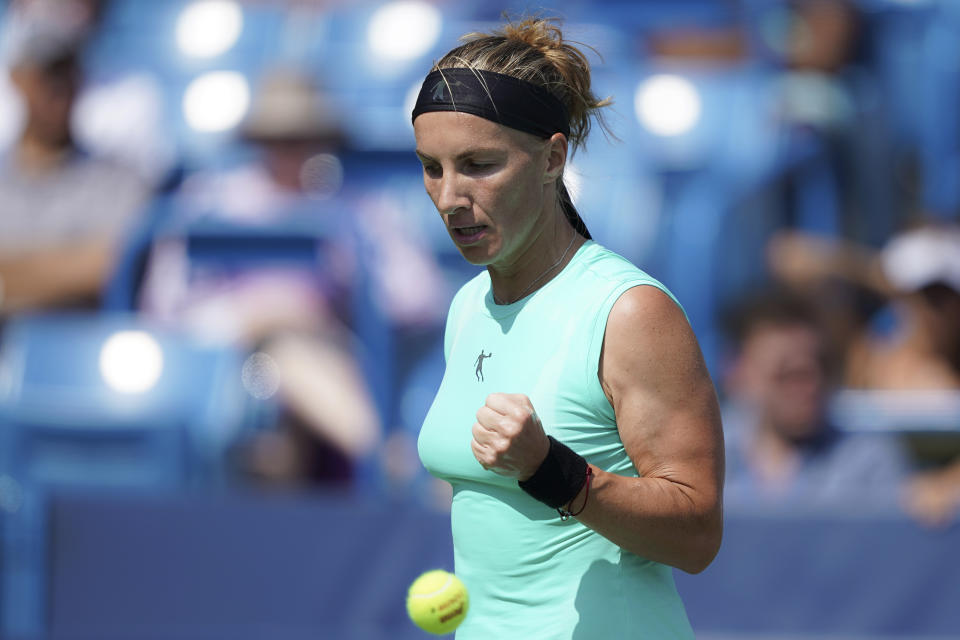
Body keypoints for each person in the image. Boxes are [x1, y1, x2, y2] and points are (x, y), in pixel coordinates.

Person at [413, 18, 724, 638]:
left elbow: (697, 534)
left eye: (478, 165)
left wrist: (553, 469)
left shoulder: (630, 311)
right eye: (432, 167)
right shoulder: (468, 305)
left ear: (553, 158)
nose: (449, 196)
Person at [0, 0, 149, 316]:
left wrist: (10, 278)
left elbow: (108, 266)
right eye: (47, 73)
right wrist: (61, 267)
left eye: (69, 72)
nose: (59, 87)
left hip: (77, 351)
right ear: (17, 79)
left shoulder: (116, 180)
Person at [720, 289, 909, 505]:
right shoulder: (701, 457)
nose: (809, 386)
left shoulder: (869, 463)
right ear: (740, 372)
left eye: (821, 366)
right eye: (787, 374)